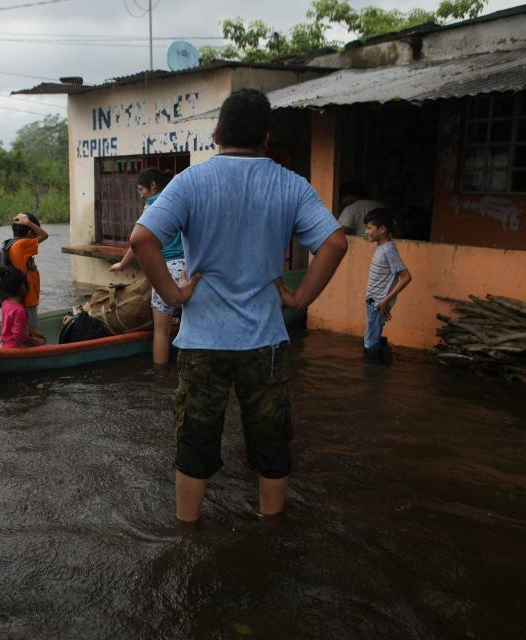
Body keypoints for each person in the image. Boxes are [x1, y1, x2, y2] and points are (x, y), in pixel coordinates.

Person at [130, 89, 347, 523]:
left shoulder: (190, 181)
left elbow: (142, 239)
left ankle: (187, 530)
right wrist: (300, 298)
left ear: (216, 134)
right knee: (271, 441)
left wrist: (174, 297)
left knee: (196, 440)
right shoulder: (291, 184)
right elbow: (335, 242)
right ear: (266, 137)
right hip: (265, 341)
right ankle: (271, 528)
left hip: (201, 342)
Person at [109, 168, 183, 364]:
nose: (140, 194)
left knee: (161, 332)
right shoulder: (181, 199)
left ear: (152, 186)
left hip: (167, 269)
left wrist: (122, 264)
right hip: (189, 269)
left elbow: (138, 242)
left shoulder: (152, 205)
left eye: (141, 189)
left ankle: (160, 378)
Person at [360, 208, 412, 363]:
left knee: (370, 343)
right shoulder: (383, 248)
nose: (366, 231)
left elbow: (406, 277)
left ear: (382, 229)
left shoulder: (388, 249)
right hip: (375, 302)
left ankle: (372, 380)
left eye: (369, 228)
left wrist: (385, 301)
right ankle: (379, 376)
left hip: (377, 303)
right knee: (372, 339)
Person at [7, 212, 48, 336]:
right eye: (33, 233)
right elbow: (44, 235)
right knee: (33, 332)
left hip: (23, 296)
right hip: (28, 298)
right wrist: (28, 223)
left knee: (25, 330)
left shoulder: (13, 243)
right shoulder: (22, 245)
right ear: (30, 233)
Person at [0, 266, 46, 348]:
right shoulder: (19, 310)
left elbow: (12, 327)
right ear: (23, 287)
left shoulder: (5, 303)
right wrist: (34, 340)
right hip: (16, 348)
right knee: (43, 342)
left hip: (5, 345)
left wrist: (30, 331)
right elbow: (18, 336)